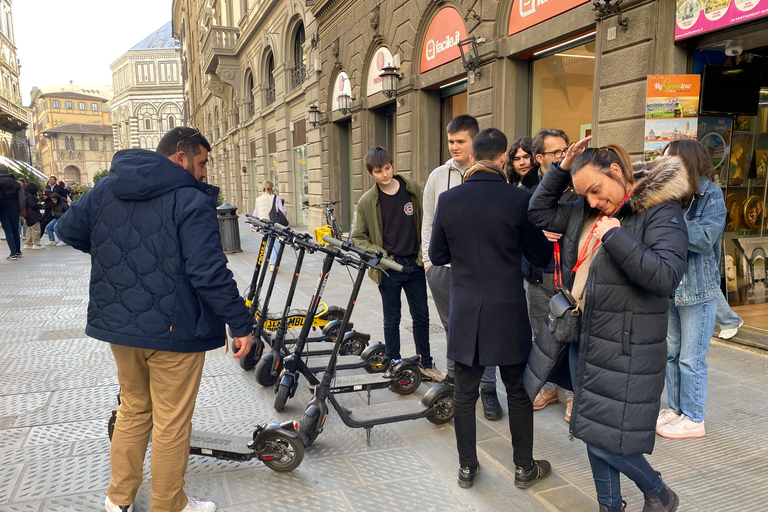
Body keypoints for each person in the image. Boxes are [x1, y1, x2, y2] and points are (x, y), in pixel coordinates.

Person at [57, 126, 254, 512]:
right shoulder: (189, 200)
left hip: (121, 327)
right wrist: (242, 323)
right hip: (174, 330)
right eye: (201, 163)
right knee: (171, 422)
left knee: (133, 410)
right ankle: (169, 505)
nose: (204, 173)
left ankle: (118, 501)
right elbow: (208, 272)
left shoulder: (105, 190)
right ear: (181, 158)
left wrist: (115, 252)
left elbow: (67, 229)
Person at [527, 139, 689, 512]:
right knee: (591, 427)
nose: (594, 202)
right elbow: (537, 211)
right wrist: (562, 169)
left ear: (616, 171)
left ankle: (660, 493)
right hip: (582, 337)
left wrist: (615, 236)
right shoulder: (583, 211)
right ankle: (610, 506)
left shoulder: (661, 212)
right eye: (585, 195)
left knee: (602, 436)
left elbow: (665, 277)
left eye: (596, 191)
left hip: (625, 346)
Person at [430, 128, 552, 489]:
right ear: (502, 159)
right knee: (517, 391)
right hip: (508, 309)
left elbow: (437, 255)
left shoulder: (449, 200)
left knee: (465, 393)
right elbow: (541, 258)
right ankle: (523, 468)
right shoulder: (518, 201)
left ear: (473, 156)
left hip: (467, 308)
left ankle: (467, 468)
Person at [422, 115, 502, 419]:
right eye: (451, 141)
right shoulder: (438, 177)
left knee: (486, 330)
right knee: (452, 328)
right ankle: (456, 382)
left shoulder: (492, 175)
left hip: (481, 271)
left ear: (474, 141)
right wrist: (429, 263)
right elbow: (428, 220)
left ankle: (488, 389)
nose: (454, 147)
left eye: (460, 141)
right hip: (444, 269)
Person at [351, 146, 444, 382]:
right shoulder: (366, 202)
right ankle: (393, 362)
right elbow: (358, 237)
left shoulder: (412, 189)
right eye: (378, 171)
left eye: (387, 168)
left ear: (393, 166)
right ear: (370, 174)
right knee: (391, 318)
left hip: (415, 265)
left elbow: (427, 223)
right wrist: (381, 255)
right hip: (388, 268)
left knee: (421, 317)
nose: (385, 174)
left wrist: (426, 256)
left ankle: (426, 362)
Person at [657, 139, 727, 440]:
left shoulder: (711, 194)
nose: (662, 163)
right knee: (670, 354)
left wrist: (670, 222)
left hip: (698, 288)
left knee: (691, 358)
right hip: (669, 284)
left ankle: (695, 417)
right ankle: (675, 409)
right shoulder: (666, 192)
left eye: (667, 158)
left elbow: (705, 238)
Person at [527, 128, 577, 419]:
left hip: (568, 276)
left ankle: (573, 394)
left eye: (565, 150)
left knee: (570, 333)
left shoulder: (577, 186)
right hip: (537, 274)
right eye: (556, 152)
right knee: (543, 334)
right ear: (540, 157)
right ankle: (550, 385)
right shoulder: (529, 189)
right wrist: (537, 231)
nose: (563, 156)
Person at [252, 180, 284, 272]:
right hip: (274, 223)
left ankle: (271, 260)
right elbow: (281, 211)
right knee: (276, 243)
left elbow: (256, 212)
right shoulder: (276, 198)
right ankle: (272, 263)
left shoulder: (258, 199)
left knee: (269, 242)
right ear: (272, 188)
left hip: (263, 223)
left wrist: (251, 224)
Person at [0, 164, 24, 259]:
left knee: (8, 232)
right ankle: (18, 251)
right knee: (15, 230)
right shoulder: (16, 184)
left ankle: (13, 253)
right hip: (14, 209)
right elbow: (22, 199)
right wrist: (19, 209)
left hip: (3, 210)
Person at [22, 182, 43, 250]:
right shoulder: (30, 196)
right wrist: (40, 205)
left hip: (27, 214)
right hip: (33, 214)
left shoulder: (23, 194)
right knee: (36, 229)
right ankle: (36, 243)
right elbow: (33, 205)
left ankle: (28, 243)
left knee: (29, 229)